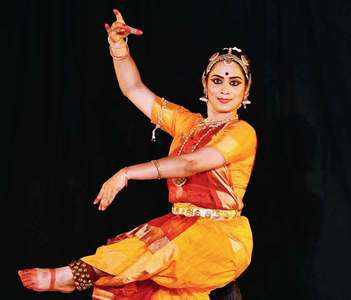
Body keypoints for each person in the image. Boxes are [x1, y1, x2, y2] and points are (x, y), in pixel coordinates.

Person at [18, 9, 257, 300]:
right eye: (217, 80)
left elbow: (191, 163)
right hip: (178, 226)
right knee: (141, 272)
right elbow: (133, 89)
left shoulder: (242, 133)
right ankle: (80, 274)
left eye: (234, 83)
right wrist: (118, 49)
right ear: (205, 85)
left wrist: (127, 172)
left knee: (157, 251)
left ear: (245, 92)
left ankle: (73, 275)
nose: (224, 89)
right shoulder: (187, 123)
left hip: (220, 239)